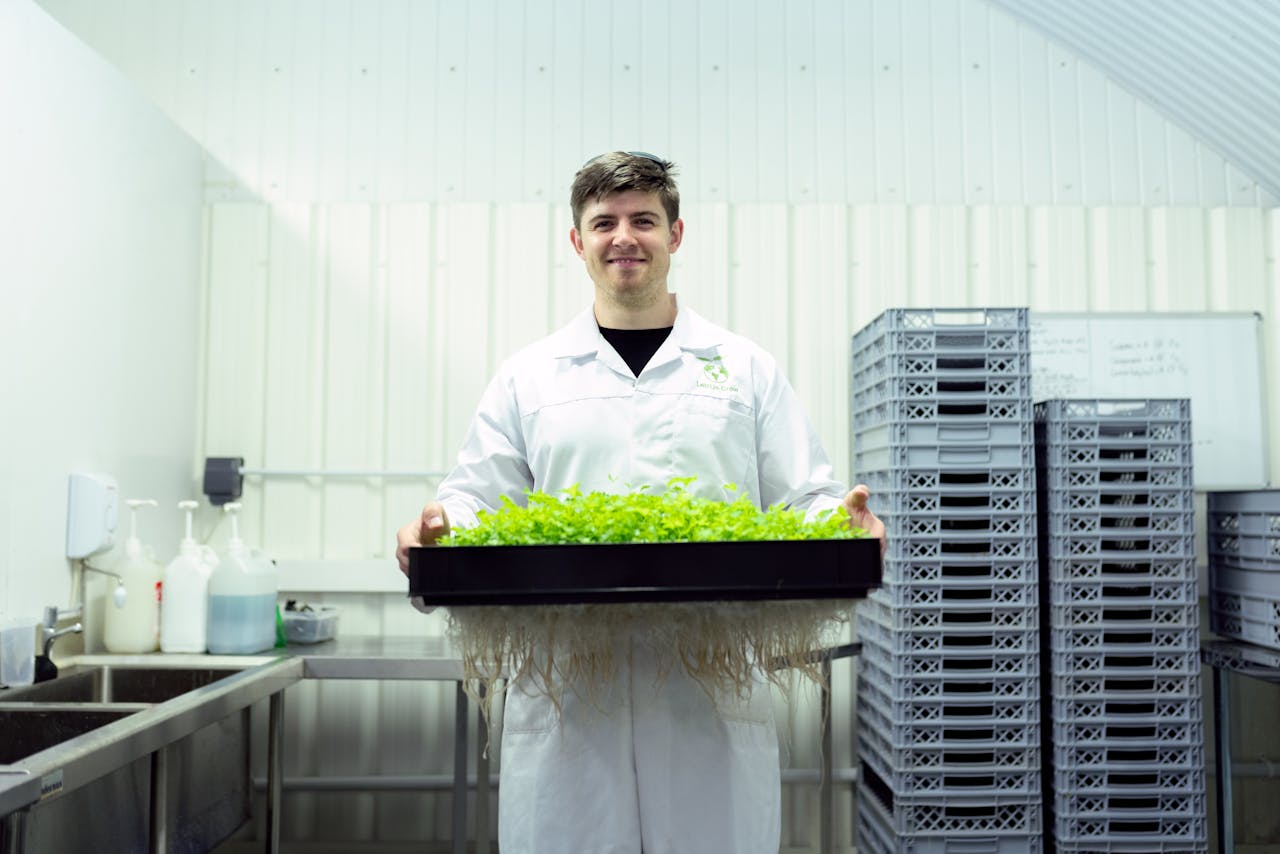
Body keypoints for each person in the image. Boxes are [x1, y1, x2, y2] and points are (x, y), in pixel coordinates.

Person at [396, 151, 885, 854]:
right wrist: (435, 531)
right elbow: (475, 501)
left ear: (675, 236)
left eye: (643, 220)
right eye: (604, 222)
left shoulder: (743, 368)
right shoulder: (529, 375)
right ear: (578, 242)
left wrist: (843, 527)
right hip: (568, 692)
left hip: (706, 686)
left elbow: (803, 497)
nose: (624, 236)